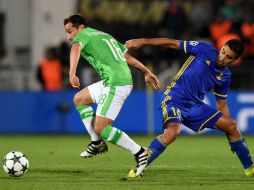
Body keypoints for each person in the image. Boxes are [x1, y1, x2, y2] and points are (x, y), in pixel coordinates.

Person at [125, 38, 254, 177]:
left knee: (232, 125)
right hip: (173, 100)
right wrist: (143, 42)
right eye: (223, 52)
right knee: (173, 132)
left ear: (235, 60)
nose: (223, 58)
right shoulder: (204, 49)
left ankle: (250, 169)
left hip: (195, 107)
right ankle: (139, 167)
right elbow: (171, 43)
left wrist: (230, 135)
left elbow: (221, 104)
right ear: (222, 47)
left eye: (229, 57)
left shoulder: (225, 76)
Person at [63, 14, 160, 176]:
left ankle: (140, 152)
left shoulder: (83, 36)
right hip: (114, 80)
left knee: (102, 128)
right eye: (66, 32)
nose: (69, 36)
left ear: (80, 27)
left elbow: (75, 48)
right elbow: (126, 57)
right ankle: (96, 143)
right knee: (79, 99)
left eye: (70, 31)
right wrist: (146, 71)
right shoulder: (103, 35)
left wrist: (72, 73)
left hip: (116, 83)